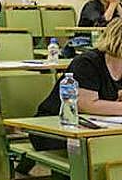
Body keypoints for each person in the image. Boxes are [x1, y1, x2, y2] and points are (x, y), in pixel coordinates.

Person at [28, 20, 122, 160]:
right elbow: (87, 104)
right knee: (106, 148)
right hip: (55, 128)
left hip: (96, 127)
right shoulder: (87, 63)